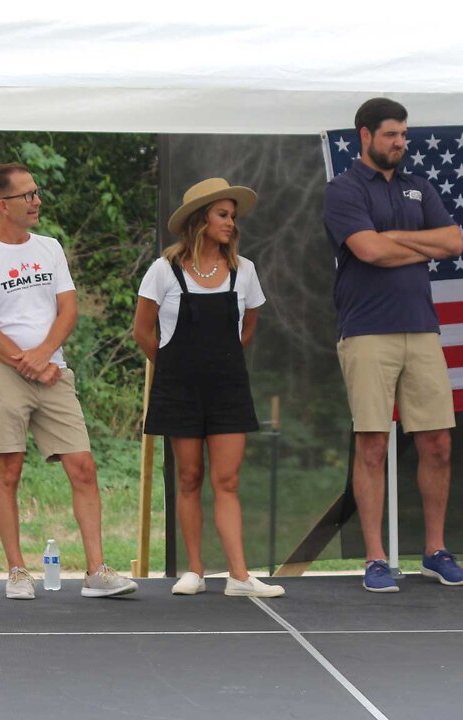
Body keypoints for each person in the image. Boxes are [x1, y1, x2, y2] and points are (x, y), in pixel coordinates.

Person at [0, 162, 137, 600]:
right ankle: (18, 571)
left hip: (53, 371)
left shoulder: (50, 247)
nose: (36, 201)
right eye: (27, 195)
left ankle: (96, 570)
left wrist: (43, 356)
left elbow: (68, 309)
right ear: (3, 205)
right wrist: (24, 361)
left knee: (84, 467)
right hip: (7, 372)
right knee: (9, 468)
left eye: (37, 193)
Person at [322, 97, 463, 593]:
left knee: (439, 442)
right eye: (391, 135)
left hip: (421, 327)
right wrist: (410, 243)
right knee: (372, 442)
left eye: (404, 135)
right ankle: (375, 559)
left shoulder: (418, 187)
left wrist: (394, 241)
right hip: (366, 331)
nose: (400, 143)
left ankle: (435, 550)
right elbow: (367, 251)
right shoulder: (343, 190)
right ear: (364, 136)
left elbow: (453, 242)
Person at [132, 177, 283, 598]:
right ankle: (194, 570)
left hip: (228, 389)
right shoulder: (163, 270)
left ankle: (239, 575)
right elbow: (142, 331)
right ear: (200, 219)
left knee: (227, 480)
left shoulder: (245, 271)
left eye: (233, 216)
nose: (231, 223)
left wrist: (220, 362)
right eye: (223, 214)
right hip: (179, 391)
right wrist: (175, 368)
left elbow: (248, 325)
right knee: (189, 477)